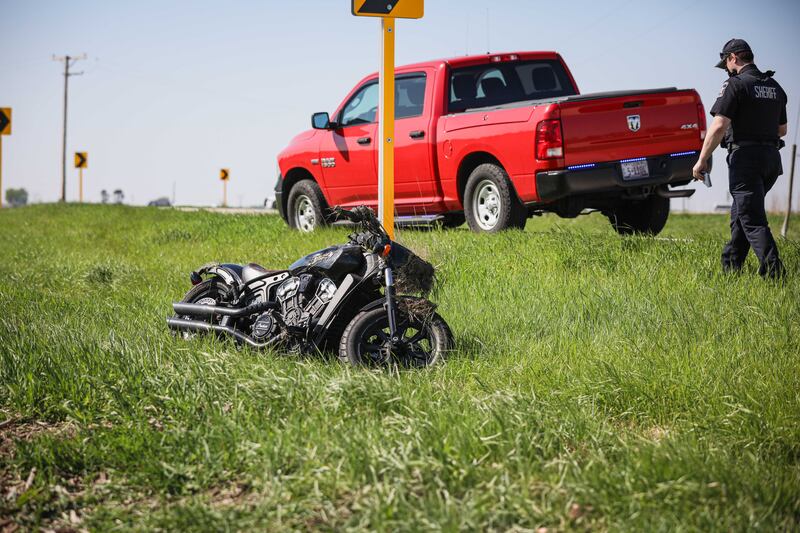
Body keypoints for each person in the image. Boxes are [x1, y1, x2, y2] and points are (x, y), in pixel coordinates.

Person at [692, 38, 788, 279]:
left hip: (746, 160)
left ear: (733, 57)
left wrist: (702, 160)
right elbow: (782, 130)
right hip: (771, 160)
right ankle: (731, 269)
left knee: (752, 219)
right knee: (741, 216)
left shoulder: (735, 85)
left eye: (726, 63)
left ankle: (775, 274)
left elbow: (719, 125)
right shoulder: (775, 86)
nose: (726, 68)